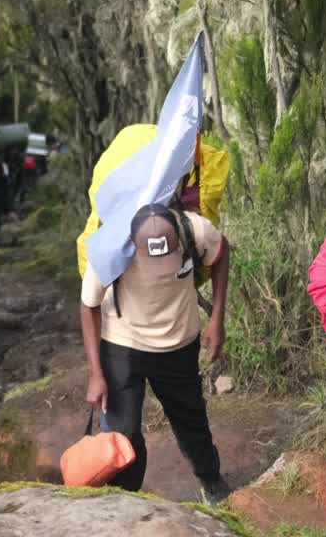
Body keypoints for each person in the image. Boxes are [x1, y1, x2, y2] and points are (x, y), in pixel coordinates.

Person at [80, 202, 233, 505]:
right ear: (132, 246)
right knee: (124, 432)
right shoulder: (109, 249)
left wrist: (217, 318)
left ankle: (212, 482)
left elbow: (221, 253)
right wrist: (96, 374)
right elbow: (89, 306)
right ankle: (126, 500)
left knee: (191, 419)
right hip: (123, 343)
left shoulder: (195, 230)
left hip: (179, 343)